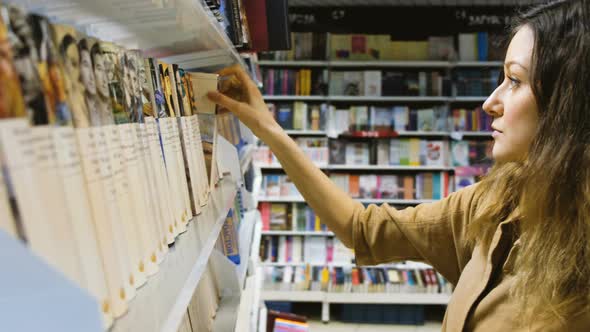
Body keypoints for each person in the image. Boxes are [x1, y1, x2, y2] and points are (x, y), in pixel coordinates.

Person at [207, 1, 590, 330]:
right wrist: (268, 127)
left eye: (514, 80)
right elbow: (363, 229)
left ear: (568, 100)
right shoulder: (493, 205)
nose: (490, 102)